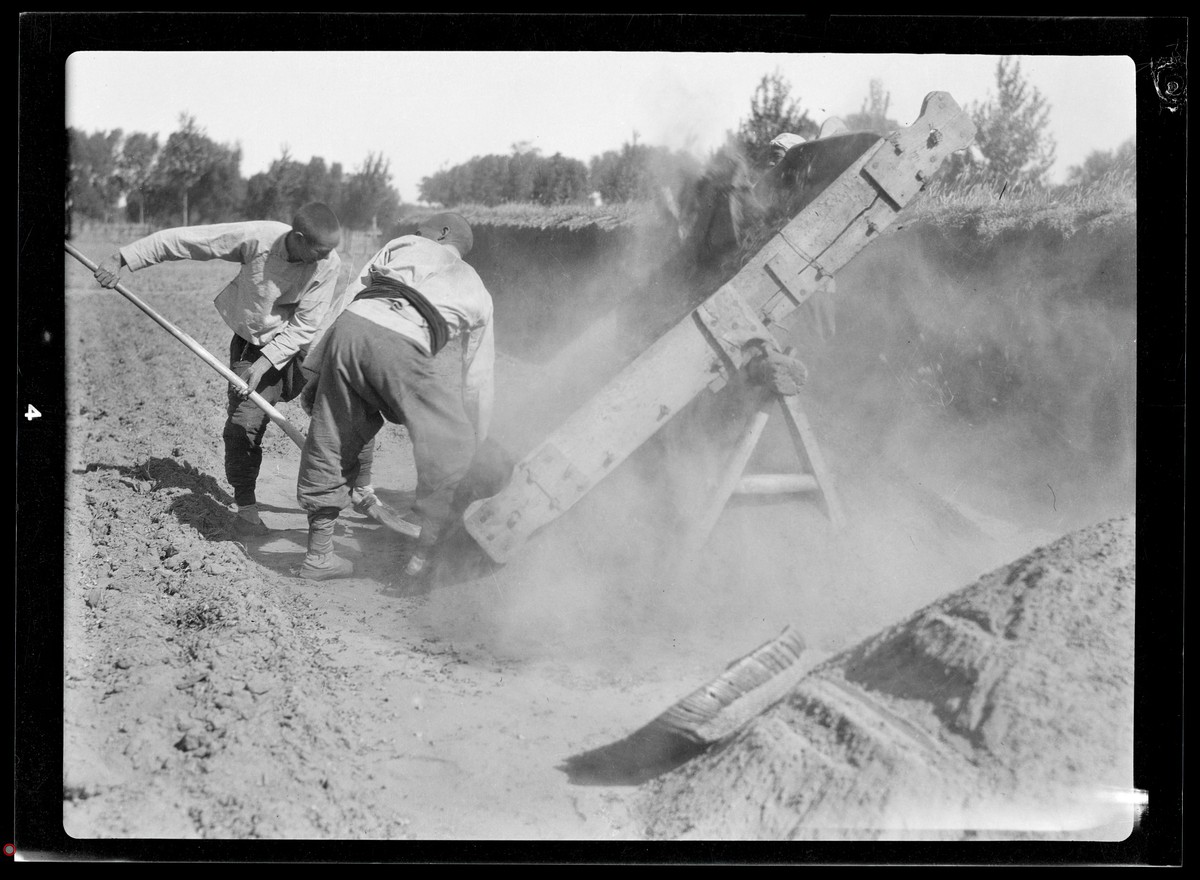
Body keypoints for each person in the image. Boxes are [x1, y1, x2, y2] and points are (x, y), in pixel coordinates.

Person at [93, 203, 344, 537]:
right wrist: (122, 258)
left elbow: (305, 325)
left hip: (302, 348)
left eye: (329, 252)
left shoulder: (329, 262)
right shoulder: (257, 238)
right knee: (243, 425)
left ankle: (357, 486)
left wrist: (266, 364)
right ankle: (247, 511)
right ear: (297, 238)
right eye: (319, 250)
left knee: (340, 402)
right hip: (253, 342)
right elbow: (187, 241)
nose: (325, 257)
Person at [294, 212, 494, 583]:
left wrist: (316, 369)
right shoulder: (479, 289)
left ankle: (319, 555)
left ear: (444, 233)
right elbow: (477, 379)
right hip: (402, 344)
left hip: (351, 330)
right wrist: (477, 440)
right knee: (452, 446)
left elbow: (349, 297)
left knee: (332, 436)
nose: (415, 234)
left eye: (422, 230)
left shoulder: (403, 245)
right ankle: (422, 561)